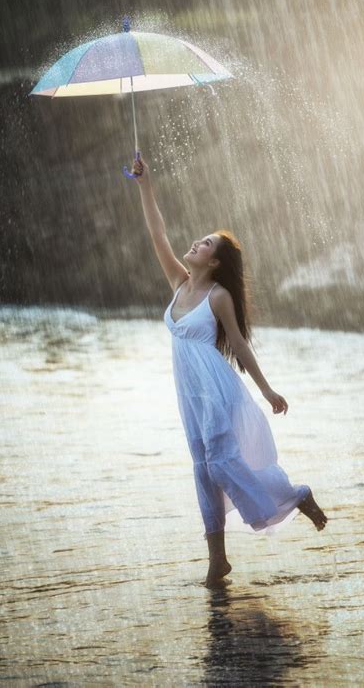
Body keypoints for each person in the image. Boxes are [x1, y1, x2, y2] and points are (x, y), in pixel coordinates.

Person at [132, 153, 327, 588]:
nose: (196, 244)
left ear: (215, 262)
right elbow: (156, 232)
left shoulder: (218, 295)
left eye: (205, 245)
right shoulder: (180, 283)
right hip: (189, 393)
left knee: (221, 464)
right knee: (202, 469)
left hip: (217, 390)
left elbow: (238, 345)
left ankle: (295, 497)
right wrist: (146, 185)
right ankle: (217, 560)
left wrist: (268, 391)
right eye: (200, 241)